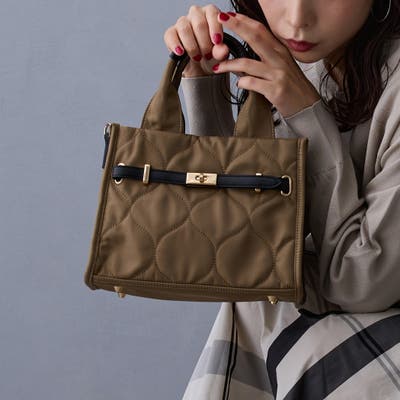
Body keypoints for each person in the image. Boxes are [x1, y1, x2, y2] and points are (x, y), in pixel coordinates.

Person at [163, 1, 400, 399]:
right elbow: (239, 254)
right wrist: (204, 85)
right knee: (260, 306)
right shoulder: (301, 67)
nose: (296, 18)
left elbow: (361, 283)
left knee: (285, 324)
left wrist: (304, 111)